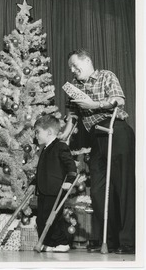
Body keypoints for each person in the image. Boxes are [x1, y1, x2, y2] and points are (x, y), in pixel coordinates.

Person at [60, 49, 135, 254]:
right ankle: (108, 240)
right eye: (71, 68)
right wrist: (64, 134)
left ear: (87, 61)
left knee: (123, 185)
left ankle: (128, 241)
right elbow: (73, 116)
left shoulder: (106, 76)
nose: (73, 71)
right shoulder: (75, 87)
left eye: (76, 65)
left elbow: (118, 100)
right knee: (99, 191)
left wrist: (94, 104)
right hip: (96, 137)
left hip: (116, 130)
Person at [34, 114, 77, 252]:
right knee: (41, 219)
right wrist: (32, 184)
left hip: (55, 191)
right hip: (43, 191)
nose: (36, 135)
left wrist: (69, 181)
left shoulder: (60, 146)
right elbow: (41, 171)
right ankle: (50, 243)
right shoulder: (45, 149)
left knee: (52, 218)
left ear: (49, 132)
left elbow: (71, 166)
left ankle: (62, 242)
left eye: (38, 132)